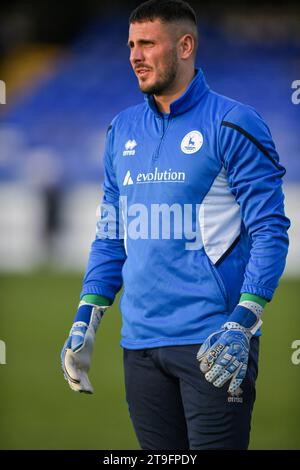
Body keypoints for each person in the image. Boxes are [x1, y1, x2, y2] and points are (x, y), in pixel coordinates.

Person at [61, 0, 290, 450]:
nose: (134, 56)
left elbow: (270, 229)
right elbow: (112, 233)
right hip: (140, 347)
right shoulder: (121, 130)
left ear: (185, 46)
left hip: (215, 343)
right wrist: (87, 315)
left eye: (147, 43)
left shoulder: (233, 123)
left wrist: (244, 321)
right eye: (130, 44)